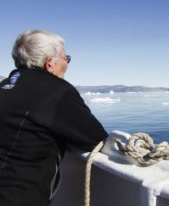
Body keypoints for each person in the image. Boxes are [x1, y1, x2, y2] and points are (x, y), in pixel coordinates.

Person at [0, 29, 108, 205]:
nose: (67, 64)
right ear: (50, 63)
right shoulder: (56, 91)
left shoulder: (5, 86)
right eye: (67, 59)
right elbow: (95, 138)